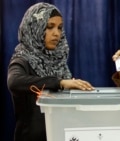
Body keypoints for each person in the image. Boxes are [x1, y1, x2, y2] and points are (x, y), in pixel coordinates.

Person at [7, 2, 94, 141]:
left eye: (60, 28)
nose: (57, 33)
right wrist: (59, 83)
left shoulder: (58, 62)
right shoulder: (23, 59)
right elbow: (14, 82)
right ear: (35, 28)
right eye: (50, 27)